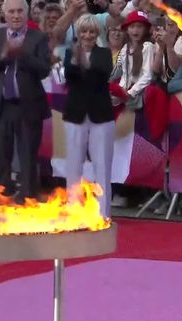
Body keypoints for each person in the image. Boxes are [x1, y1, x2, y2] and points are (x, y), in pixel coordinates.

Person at [0, 0, 51, 199]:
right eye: (12, 12)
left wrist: (21, 54)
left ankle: (28, 199)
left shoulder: (39, 38)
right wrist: (2, 57)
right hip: (0, 106)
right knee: (0, 156)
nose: (16, 15)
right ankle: (3, 197)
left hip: (28, 105)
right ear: (4, 14)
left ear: (26, 15)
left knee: (28, 157)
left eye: (19, 11)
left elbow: (44, 70)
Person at [63, 14, 115, 218]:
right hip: (75, 114)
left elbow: (102, 73)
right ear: (78, 33)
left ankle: (103, 214)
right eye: (84, 31)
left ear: (97, 34)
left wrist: (82, 64)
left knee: (102, 165)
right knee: (73, 165)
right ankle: (74, 211)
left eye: (91, 31)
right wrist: (77, 62)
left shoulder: (104, 53)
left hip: (101, 116)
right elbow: (69, 75)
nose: (87, 35)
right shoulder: (70, 52)